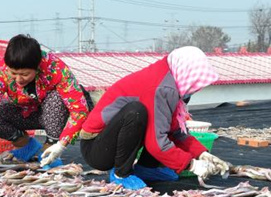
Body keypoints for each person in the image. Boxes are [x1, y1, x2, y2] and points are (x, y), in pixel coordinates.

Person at [79, 46, 230, 189]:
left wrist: (202, 154)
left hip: (110, 143)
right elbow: (156, 144)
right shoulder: (163, 88)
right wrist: (192, 165)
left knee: (158, 123)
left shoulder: (169, 79)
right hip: (97, 149)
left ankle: (147, 168)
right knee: (136, 112)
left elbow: (174, 131)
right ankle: (121, 174)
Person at [0, 34, 90, 170]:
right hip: (23, 113)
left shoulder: (56, 68)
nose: (18, 79)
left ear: (37, 67)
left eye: (25, 74)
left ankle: (49, 151)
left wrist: (61, 144)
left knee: (56, 99)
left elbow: (79, 110)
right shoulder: (1, 70)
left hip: (53, 115)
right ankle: (27, 145)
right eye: (13, 73)